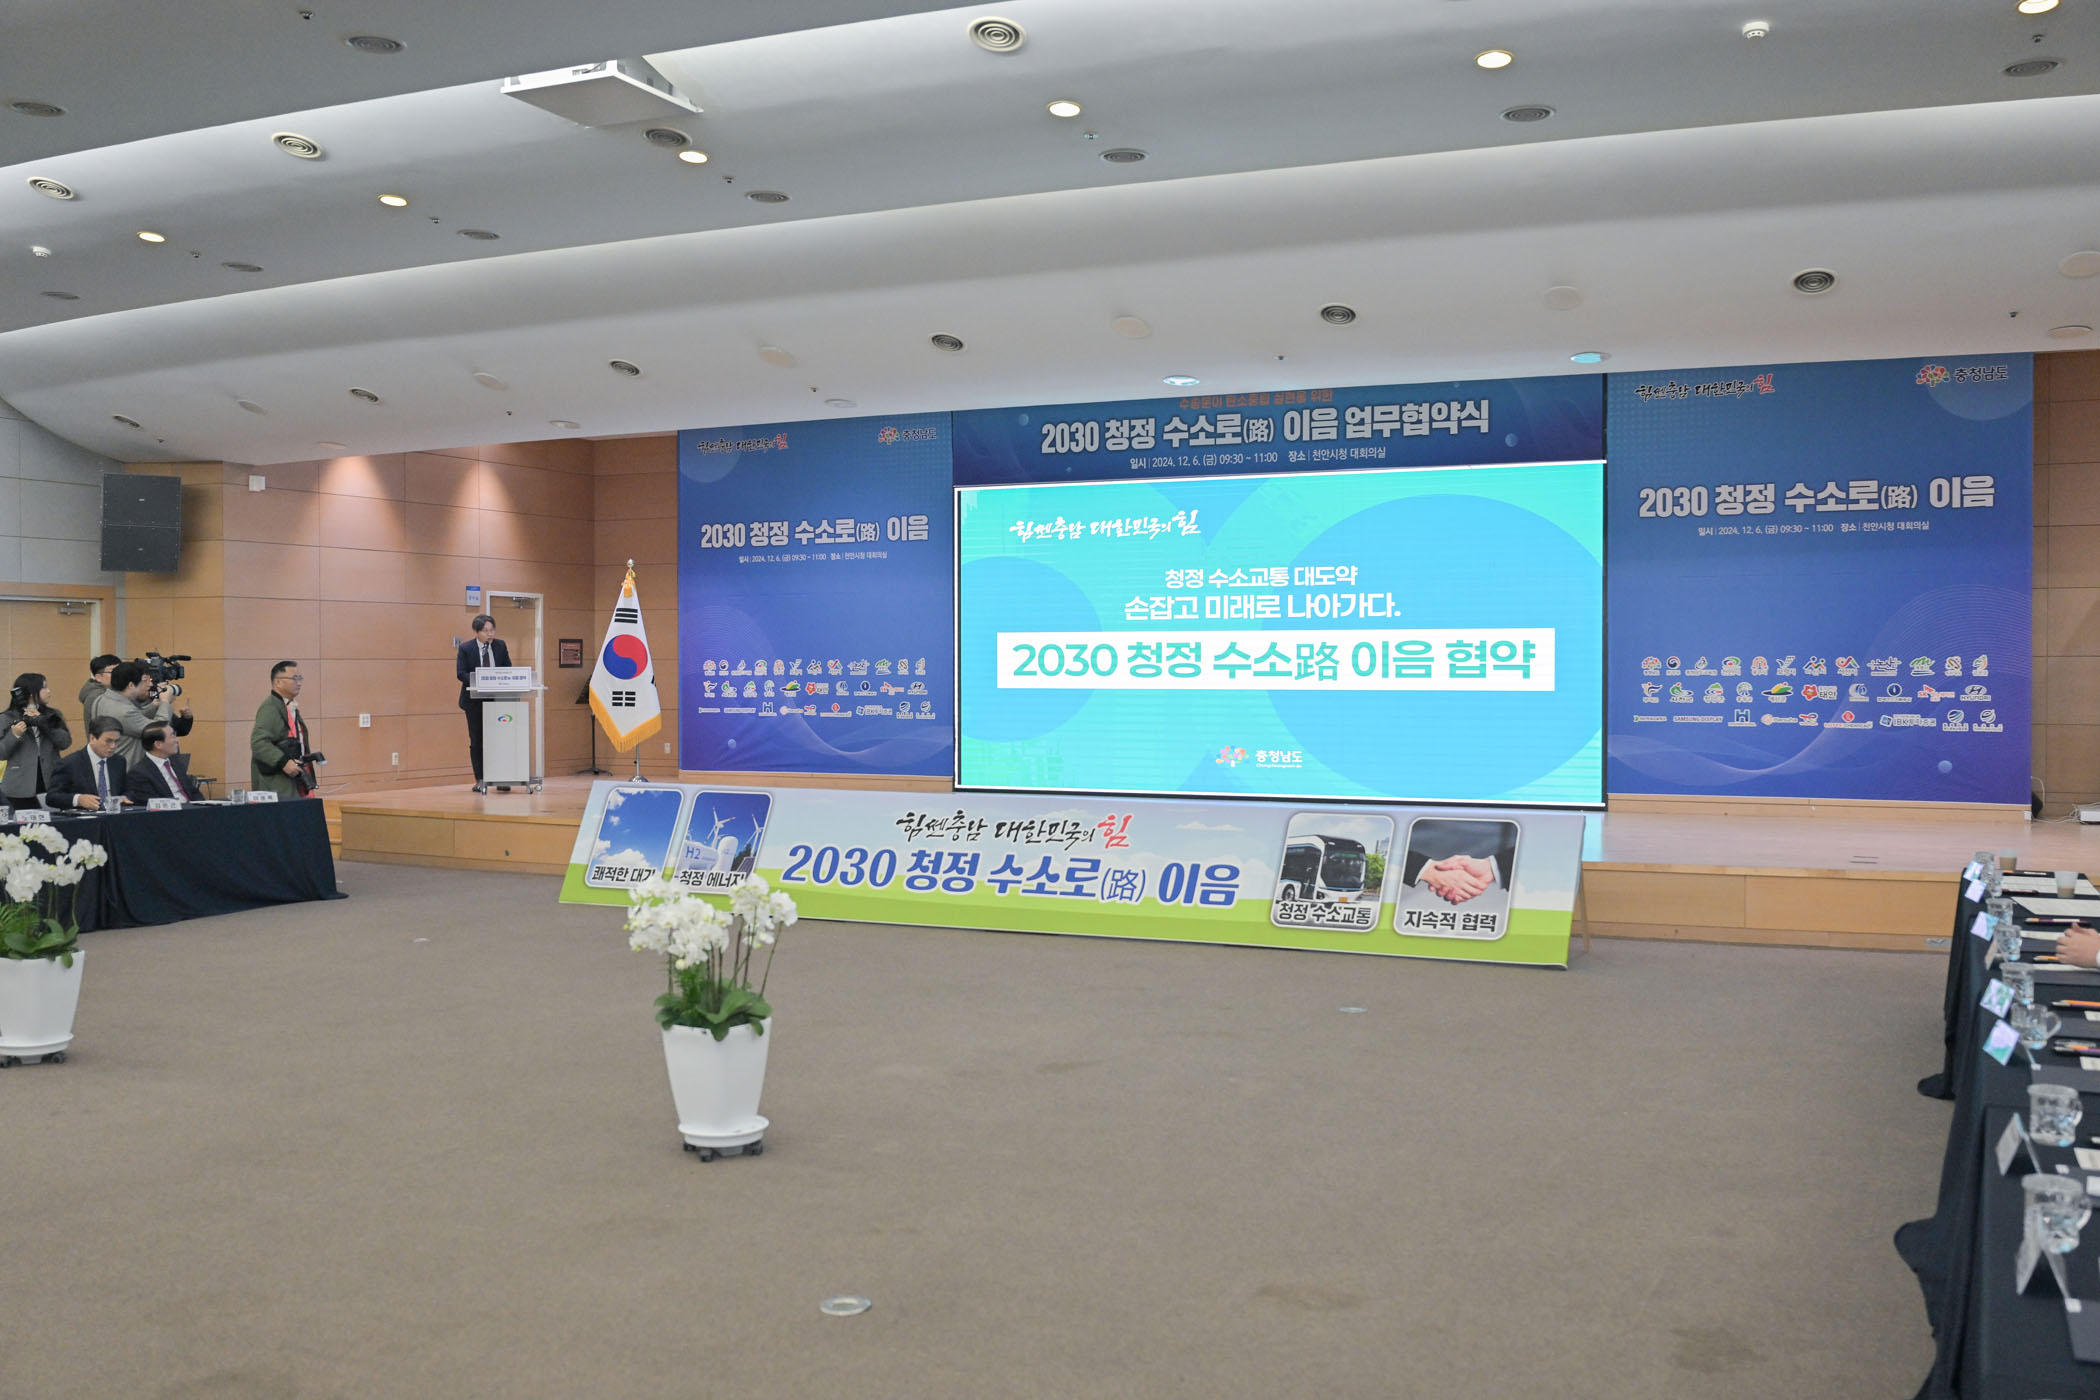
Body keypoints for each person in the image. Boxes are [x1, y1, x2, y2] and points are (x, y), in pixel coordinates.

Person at [455, 613, 512, 794]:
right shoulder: (466, 648)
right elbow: (461, 673)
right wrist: (480, 681)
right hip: (474, 701)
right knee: (477, 740)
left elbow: (508, 668)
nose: (490, 634)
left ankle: (501, 778)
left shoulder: (500, 645)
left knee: (499, 740)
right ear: (477, 632)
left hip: (497, 700)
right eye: (486, 631)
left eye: (492, 630)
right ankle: (480, 779)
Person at [0, 672, 74, 811]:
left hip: (51, 780)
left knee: (54, 821)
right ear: (31, 693)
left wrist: (45, 724)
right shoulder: (7, 718)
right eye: (44, 687)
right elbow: (1, 753)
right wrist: (14, 735)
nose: (49, 691)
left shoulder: (53, 715)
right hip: (19, 785)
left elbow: (65, 743)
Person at [90, 661, 180, 769]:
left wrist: (154, 705)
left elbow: (134, 719)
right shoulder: (124, 711)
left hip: (109, 766)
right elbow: (159, 730)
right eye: (144, 681)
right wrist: (165, 702)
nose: (150, 684)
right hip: (127, 770)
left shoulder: (102, 699)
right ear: (131, 685)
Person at [250, 660, 316, 798]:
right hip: (278, 784)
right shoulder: (270, 707)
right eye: (294, 678)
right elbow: (258, 743)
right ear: (278, 682)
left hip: (292, 781)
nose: (299, 683)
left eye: (300, 678)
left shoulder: (288, 706)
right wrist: (283, 761)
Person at [47, 716, 130, 811]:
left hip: (113, 815)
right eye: (108, 741)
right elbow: (52, 797)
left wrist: (124, 797)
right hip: (84, 816)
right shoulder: (70, 763)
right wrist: (78, 799)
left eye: (116, 741)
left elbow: (127, 790)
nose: (113, 746)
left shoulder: (119, 761)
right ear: (92, 738)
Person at [126, 722, 201, 803]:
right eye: (172, 736)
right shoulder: (139, 772)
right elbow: (153, 802)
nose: (177, 740)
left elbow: (193, 792)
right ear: (158, 744)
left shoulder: (176, 763)